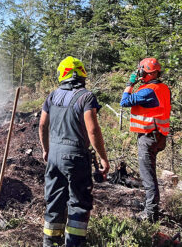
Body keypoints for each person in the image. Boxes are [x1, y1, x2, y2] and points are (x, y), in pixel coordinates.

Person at [39, 56, 109, 247]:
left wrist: (46, 150)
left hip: (53, 156)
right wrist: (103, 158)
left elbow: (42, 125)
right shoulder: (86, 97)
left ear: (62, 74)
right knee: (78, 202)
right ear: (82, 74)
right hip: (76, 156)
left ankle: (50, 243)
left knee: (54, 201)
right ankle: (74, 243)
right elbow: (93, 130)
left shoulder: (52, 96)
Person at [120, 57, 171, 222]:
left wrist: (130, 83)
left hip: (149, 136)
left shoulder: (148, 91)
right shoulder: (163, 88)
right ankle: (151, 208)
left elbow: (124, 101)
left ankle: (150, 215)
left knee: (148, 177)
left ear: (145, 72)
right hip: (159, 136)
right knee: (151, 175)